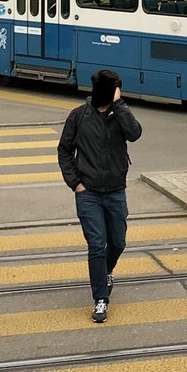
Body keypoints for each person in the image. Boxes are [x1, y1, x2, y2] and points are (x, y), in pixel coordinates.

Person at [58, 69, 142, 324]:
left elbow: (135, 134)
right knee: (96, 245)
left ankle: (105, 272)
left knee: (118, 242)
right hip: (89, 193)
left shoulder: (121, 115)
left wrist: (120, 105)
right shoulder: (79, 116)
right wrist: (76, 184)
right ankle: (101, 299)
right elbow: (64, 150)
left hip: (116, 190)